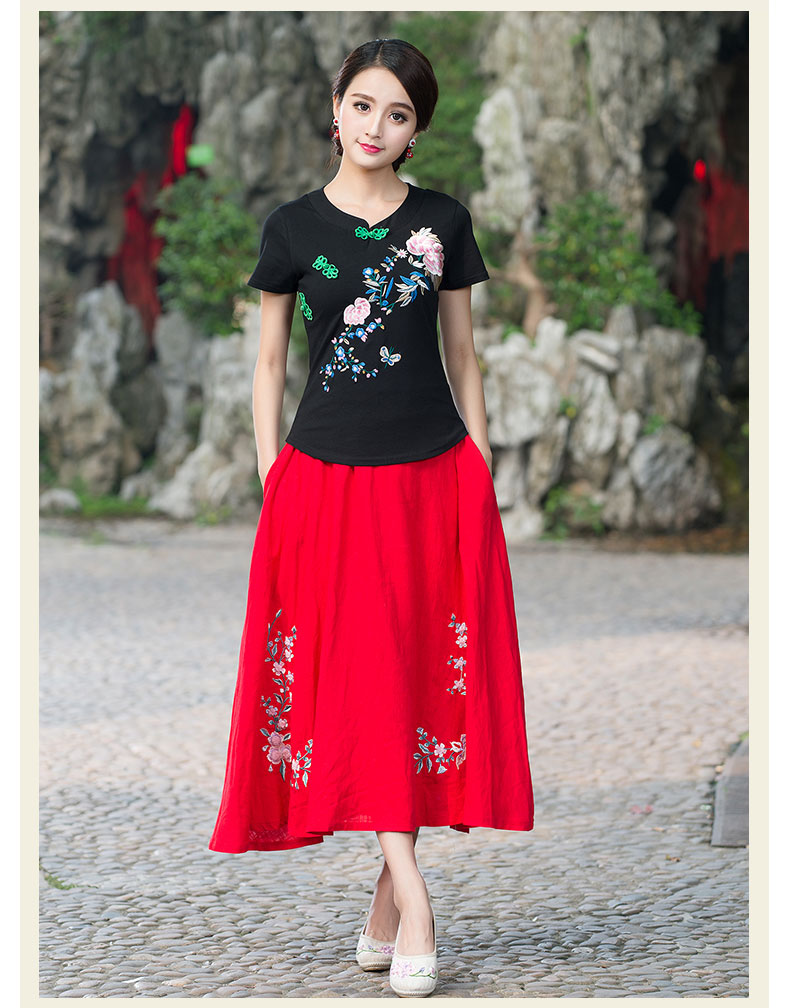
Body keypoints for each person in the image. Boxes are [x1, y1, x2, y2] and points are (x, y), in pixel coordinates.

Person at [208, 37, 534, 997]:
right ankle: (417, 901)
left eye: (398, 114)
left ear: (416, 129)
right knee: (358, 678)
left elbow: (464, 355)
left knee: (420, 677)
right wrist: (272, 473)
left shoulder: (443, 221)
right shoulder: (291, 228)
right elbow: (270, 363)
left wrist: (481, 465)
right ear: (336, 107)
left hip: (435, 477)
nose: (376, 127)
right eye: (363, 106)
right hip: (325, 482)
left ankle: (387, 909)